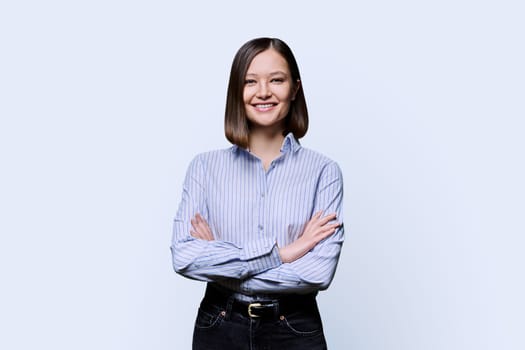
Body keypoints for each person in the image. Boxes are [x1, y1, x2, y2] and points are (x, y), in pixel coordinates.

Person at [170, 37, 344, 350]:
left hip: (293, 329)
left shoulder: (324, 172)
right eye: (251, 81)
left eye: (276, 80)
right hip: (219, 325)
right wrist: (284, 253)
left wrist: (220, 258)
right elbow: (184, 257)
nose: (263, 92)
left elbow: (318, 272)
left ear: (295, 88)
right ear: (237, 91)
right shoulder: (204, 168)